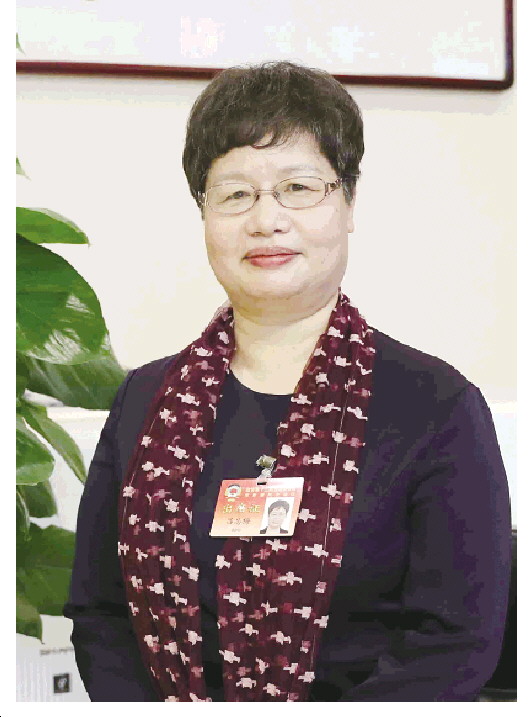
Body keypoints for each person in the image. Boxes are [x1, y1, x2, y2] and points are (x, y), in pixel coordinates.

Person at [64, 61, 511, 702]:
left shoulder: (437, 407)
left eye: (298, 188)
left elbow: (453, 643)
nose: (266, 219)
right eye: (235, 194)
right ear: (204, 213)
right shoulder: (145, 400)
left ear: (348, 204)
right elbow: (101, 614)